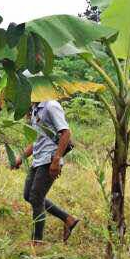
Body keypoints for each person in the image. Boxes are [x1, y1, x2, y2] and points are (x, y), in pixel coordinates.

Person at [12, 99, 81, 243]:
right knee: (28, 195)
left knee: (36, 197)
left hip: (50, 159)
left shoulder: (51, 106)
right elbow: (37, 140)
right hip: (38, 159)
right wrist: (21, 158)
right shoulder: (35, 109)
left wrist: (56, 160)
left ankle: (37, 242)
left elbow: (66, 133)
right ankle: (68, 219)